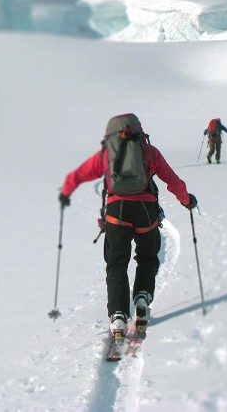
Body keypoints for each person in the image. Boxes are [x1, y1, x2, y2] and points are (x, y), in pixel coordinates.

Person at [58, 113, 197, 337]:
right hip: (146, 212)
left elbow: (79, 174)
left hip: (116, 213)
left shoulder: (106, 154)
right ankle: (142, 299)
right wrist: (187, 200)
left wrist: (66, 192)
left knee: (116, 263)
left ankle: (118, 316)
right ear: (139, 131)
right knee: (147, 256)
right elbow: (172, 181)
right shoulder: (149, 152)